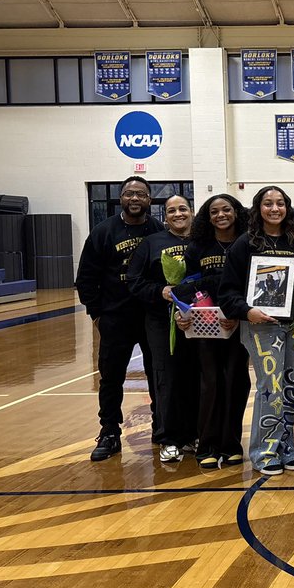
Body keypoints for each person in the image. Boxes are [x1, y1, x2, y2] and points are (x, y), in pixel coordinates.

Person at [220, 186, 294, 476]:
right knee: (269, 387)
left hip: (293, 325)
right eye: (267, 203)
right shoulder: (244, 245)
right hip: (259, 326)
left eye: (279, 203)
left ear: (287, 208)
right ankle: (263, 451)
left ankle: (285, 446)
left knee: (289, 385)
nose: (274, 208)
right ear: (258, 208)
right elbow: (227, 292)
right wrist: (247, 311)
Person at [76, 177, 162, 462]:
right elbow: (86, 277)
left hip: (151, 315)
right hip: (116, 317)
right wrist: (96, 313)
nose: (134, 198)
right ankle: (109, 431)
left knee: (159, 375)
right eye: (129, 193)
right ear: (121, 199)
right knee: (111, 378)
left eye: (140, 193)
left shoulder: (158, 230)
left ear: (149, 199)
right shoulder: (103, 232)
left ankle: (161, 427)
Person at [173, 194, 250, 469]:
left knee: (236, 382)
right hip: (205, 326)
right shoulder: (198, 247)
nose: (221, 215)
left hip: (237, 324)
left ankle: (231, 444)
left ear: (236, 213)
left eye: (226, 209)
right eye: (214, 211)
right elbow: (187, 287)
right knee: (210, 383)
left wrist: (240, 315)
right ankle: (207, 445)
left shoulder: (247, 243)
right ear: (208, 216)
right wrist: (182, 315)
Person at [127, 194, 199, 464]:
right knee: (167, 378)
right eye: (171, 211)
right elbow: (134, 281)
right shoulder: (151, 243)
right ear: (164, 216)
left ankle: (194, 434)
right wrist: (160, 291)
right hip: (160, 321)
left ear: (191, 212)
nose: (178, 214)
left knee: (197, 376)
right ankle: (169, 437)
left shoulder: (200, 242)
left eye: (182, 209)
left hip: (197, 320)